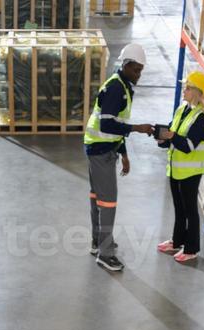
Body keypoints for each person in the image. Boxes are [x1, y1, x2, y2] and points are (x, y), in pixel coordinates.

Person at [84, 42, 154, 273]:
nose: (139, 74)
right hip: (101, 150)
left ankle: (98, 242)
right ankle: (105, 254)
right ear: (125, 65)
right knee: (108, 202)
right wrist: (138, 128)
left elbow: (118, 123)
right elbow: (108, 123)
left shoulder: (122, 85)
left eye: (141, 70)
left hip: (102, 147)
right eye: (136, 70)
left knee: (97, 198)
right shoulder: (116, 88)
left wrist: (123, 154)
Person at [155, 71, 204, 263]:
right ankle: (177, 241)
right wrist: (161, 138)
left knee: (190, 210)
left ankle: (192, 248)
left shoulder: (202, 120)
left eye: (187, 88)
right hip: (176, 169)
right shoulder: (182, 110)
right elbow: (173, 131)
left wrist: (171, 136)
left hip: (191, 172)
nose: (184, 90)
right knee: (179, 208)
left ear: (196, 92)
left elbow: (188, 146)